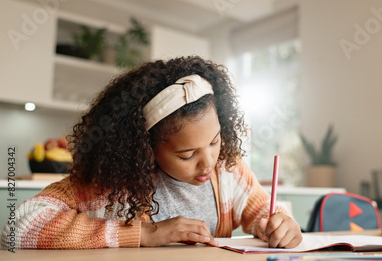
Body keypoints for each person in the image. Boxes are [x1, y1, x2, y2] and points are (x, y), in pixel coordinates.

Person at [0, 56, 303, 249]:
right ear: (145, 148)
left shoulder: (228, 170)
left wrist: (278, 223)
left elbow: (263, 211)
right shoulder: (111, 183)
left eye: (214, 141)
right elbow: (17, 227)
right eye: (186, 155)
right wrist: (143, 234)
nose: (208, 162)